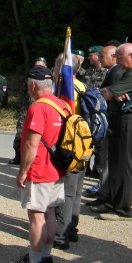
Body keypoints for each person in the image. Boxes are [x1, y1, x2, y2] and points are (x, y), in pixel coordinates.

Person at [6, 66, 66, 263]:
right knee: (49, 212)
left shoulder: (38, 108)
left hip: (40, 169)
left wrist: (23, 171)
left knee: (36, 217)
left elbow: (31, 144)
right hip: (57, 169)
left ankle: (34, 261)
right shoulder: (62, 105)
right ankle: (46, 256)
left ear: (33, 85)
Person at [97, 43, 132, 220]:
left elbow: (106, 94)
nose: (117, 61)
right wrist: (111, 92)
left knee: (124, 165)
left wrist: (108, 92)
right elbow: (110, 93)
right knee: (117, 163)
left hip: (130, 120)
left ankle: (122, 209)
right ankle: (113, 202)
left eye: (119, 57)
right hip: (125, 119)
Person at [52, 53, 87, 249]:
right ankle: (72, 229)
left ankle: (61, 235)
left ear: (61, 68)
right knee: (75, 191)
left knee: (65, 191)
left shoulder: (65, 89)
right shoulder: (82, 86)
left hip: (69, 145)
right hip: (83, 144)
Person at [86, 45, 123, 206]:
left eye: (102, 56)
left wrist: (102, 93)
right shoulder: (111, 72)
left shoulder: (117, 73)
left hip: (111, 119)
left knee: (107, 159)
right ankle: (104, 191)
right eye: (99, 56)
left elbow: (108, 95)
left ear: (113, 56)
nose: (100, 59)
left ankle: (105, 194)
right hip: (104, 119)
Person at [9, 57, 48, 165]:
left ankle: (33, 158)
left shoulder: (48, 79)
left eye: (40, 66)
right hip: (26, 110)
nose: (38, 68)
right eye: (36, 66)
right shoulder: (28, 78)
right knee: (20, 133)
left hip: (41, 109)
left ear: (45, 67)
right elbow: (24, 93)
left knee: (37, 136)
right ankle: (18, 156)